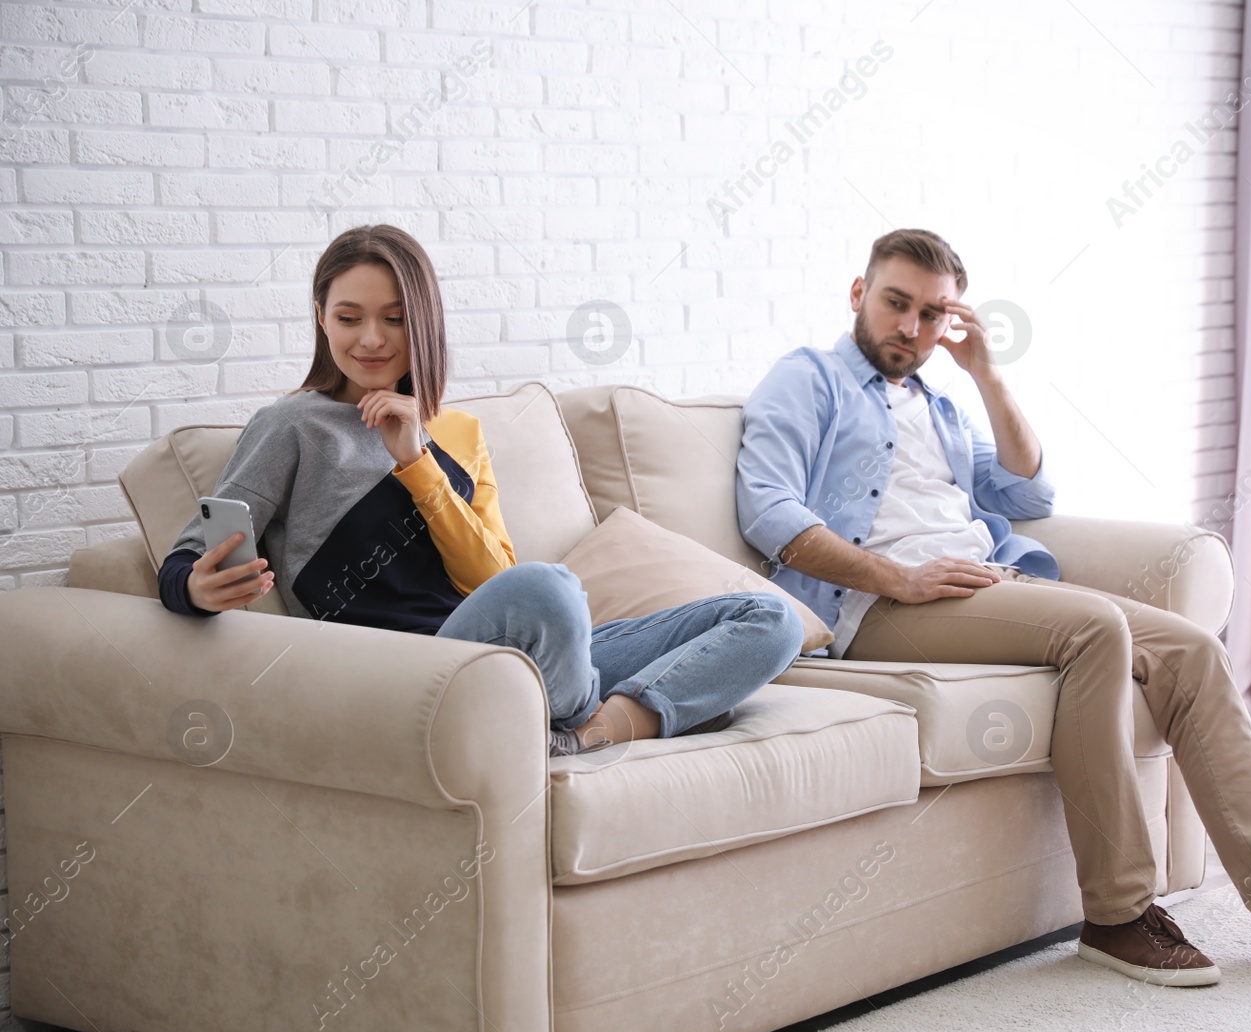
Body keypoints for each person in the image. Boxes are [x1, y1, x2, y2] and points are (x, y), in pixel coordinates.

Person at [735, 228, 1251, 985]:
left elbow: (1029, 492)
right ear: (858, 295)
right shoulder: (807, 379)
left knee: (1194, 649)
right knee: (1096, 627)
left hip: (985, 582)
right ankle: (1119, 914)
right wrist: (896, 577)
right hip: (877, 607)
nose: (912, 328)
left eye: (933, 315)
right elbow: (767, 510)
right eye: (896, 304)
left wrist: (987, 375)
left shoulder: (938, 404)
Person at [159, 224, 803, 757]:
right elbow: (190, 553)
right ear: (321, 320)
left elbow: (488, 576)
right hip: (411, 672)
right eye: (348, 317)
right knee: (550, 588)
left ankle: (585, 734)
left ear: (425, 322)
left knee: (768, 619)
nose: (371, 339)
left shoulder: (459, 434)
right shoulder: (293, 425)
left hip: (503, 652)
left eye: (394, 318)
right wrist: (193, 586)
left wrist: (417, 461)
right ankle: (593, 713)